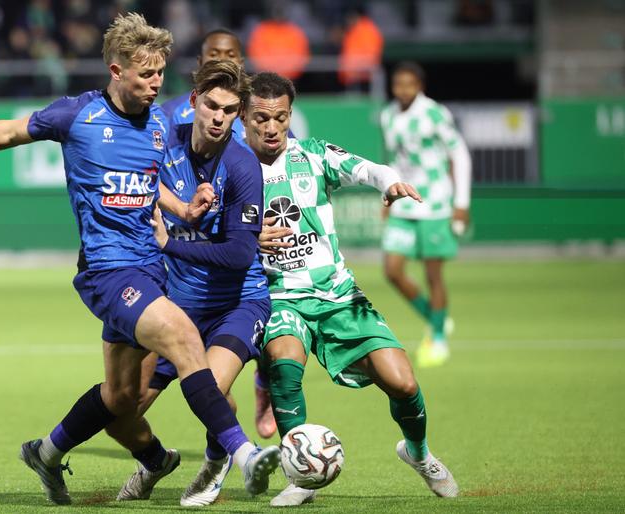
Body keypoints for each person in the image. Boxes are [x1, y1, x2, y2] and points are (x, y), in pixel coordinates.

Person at [0, 13, 279, 506]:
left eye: (160, 74)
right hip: (108, 270)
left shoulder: (158, 124)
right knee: (181, 336)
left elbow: (145, 182)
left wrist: (181, 208)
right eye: (145, 75)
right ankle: (244, 455)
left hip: (148, 271)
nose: (156, 84)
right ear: (116, 71)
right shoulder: (79, 116)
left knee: (120, 399)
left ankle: (47, 453)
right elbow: (7, 133)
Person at [245, 71, 459, 506]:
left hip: (339, 294)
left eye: (280, 118)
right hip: (280, 295)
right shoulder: (231, 167)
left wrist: (389, 182)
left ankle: (418, 453)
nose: (271, 128)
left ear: (290, 116)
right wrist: (249, 237)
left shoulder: (313, 154)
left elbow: (365, 167)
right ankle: (299, 475)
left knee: (402, 383)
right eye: (261, 119)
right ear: (244, 118)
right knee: (286, 362)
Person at [105, 58, 279, 507]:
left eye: (229, 111)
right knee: (119, 413)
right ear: (195, 102)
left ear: (237, 116)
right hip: (177, 307)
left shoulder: (242, 167)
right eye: (212, 107)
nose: (219, 118)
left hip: (236, 305)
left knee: (208, 388)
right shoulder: (162, 144)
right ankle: (154, 460)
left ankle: (216, 463)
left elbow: (241, 256)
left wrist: (170, 245)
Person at [161, 27, 279, 440]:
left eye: (229, 53)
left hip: (246, 263)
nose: (218, 115)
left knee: (266, 347)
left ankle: (266, 385)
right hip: (187, 285)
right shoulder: (167, 121)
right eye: (213, 53)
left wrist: (269, 222)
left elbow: (285, 172)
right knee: (127, 398)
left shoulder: (258, 126)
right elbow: (140, 173)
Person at [380, 61, 472, 368]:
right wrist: (386, 196)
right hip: (404, 203)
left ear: (420, 86)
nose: (402, 89)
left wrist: (462, 202)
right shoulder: (388, 115)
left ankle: (437, 338)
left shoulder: (434, 113)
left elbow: (459, 153)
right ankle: (436, 317)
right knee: (392, 271)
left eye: (409, 84)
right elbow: (392, 160)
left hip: (434, 202)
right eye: (397, 84)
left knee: (433, 275)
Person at [161, 29, 247, 142]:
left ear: (241, 63)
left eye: (230, 55)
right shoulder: (171, 112)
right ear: (200, 61)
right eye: (213, 54)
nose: (222, 60)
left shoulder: (259, 111)